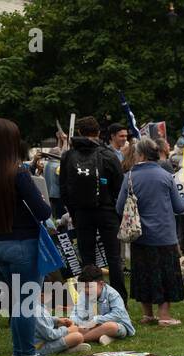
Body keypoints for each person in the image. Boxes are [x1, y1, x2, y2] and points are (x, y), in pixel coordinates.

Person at [0, 117, 57, 356]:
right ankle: (26, 353)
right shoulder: (18, 171)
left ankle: (21, 352)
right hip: (22, 243)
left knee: (19, 302)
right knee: (26, 302)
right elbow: (43, 211)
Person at [117, 136, 184, 326]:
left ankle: (148, 314)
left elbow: (119, 208)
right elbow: (179, 207)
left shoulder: (129, 177)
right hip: (164, 235)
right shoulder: (166, 176)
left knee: (143, 274)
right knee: (165, 275)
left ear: (139, 154)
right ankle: (164, 316)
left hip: (140, 235)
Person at [59, 116, 125, 294]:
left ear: (79, 132)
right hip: (107, 211)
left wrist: (73, 211)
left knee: (87, 259)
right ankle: (119, 299)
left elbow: (63, 189)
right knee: (114, 258)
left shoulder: (68, 156)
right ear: (99, 132)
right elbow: (120, 187)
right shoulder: (108, 155)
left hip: (81, 212)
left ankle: (90, 299)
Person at [69, 266, 133, 342]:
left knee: (110, 327)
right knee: (68, 324)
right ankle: (103, 337)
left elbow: (117, 314)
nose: (86, 290)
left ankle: (79, 339)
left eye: (89, 287)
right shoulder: (84, 294)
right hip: (90, 326)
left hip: (117, 325)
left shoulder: (112, 294)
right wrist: (81, 323)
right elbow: (75, 314)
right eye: (83, 287)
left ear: (101, 284)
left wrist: (96, 320)